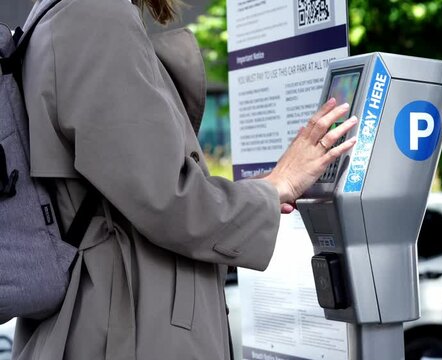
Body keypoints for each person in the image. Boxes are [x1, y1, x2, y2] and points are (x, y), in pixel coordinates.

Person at [12, 0, 357, 359]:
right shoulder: (95, 13)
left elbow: (139, 186)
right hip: (129, 327)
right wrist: (274, 187)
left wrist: (256, 192)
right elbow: (168, 200)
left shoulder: (63, 15)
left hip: (112, 320)